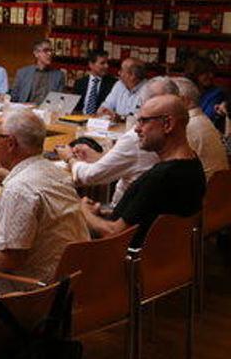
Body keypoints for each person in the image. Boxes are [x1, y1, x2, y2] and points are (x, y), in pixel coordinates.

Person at [0, 109, 89, 289]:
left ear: (10, 143)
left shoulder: (18, 190)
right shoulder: (55, 173)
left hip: (36, 292)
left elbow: (11, 260)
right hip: (73, 279)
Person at [82, 95, 206, 246]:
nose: (136, 128)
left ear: (167, 124)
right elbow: (145, 214)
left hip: (124, 262)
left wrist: (82, 211)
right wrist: (101, 213)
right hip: (166, 257)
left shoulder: (160, 178)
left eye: (143, 121)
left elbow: (113, 234)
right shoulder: (193, 164)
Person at [56, 77, 177, 207]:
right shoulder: (178, 130)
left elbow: (89, 177)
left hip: (120, 214)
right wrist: (101, 158)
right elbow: (137, 163)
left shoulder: (137, 138)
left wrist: (69, 158)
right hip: (150, 213)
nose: (137, 127)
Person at [171, 77, 228, 180]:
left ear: (183, 100)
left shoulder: (188, 126)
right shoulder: (201, 119)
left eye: (169, 100)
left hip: (203, 192)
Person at [10, 39, 65, 104]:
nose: (50, 54)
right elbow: (13, 98)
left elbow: (59, 101)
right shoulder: (22, 73)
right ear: (36, 54)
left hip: (46, 112)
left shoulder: (58, 75)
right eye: (46, 50)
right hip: (25, 110)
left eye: (51, 51)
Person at [185, 56, 226, 131]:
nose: (211, 75)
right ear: (194, 74)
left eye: (212, 72)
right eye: (205, 73)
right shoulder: (186, 89)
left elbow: (207, 118)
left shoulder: (217, 93)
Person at [73, 49, 117, 114]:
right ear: (91, 64)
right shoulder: (80, 83)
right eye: (102, 63)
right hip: (80, 119)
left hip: (100, 120)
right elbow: (75, 107)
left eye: (107, 63)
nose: (106, 66)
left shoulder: (113, 84)